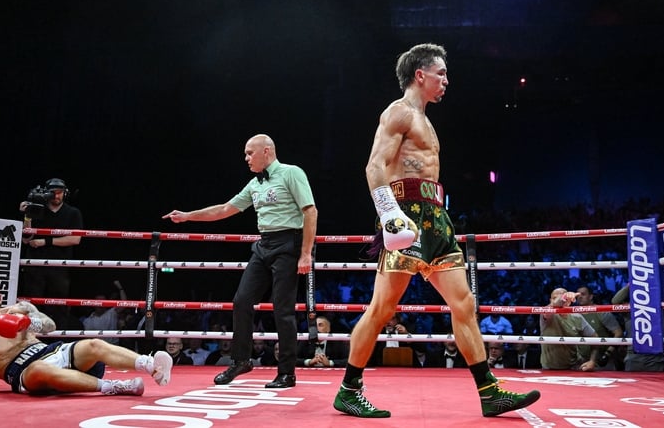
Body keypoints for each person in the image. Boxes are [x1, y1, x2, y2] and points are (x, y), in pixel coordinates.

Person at [332, 43, 540, 418]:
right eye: (441, 73)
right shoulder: (399, 113)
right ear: (420, 75)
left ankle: (489, 392)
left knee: (464, 303)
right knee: (382, 308)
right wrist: (389, 215)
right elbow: (374, 166)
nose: (446, 80)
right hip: (405, 214)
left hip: (435, 217)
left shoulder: (426, 120)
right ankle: (349, 389)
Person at [163, 133, 318, 389]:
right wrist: (188, 216)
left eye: (249, 153)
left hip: (289, 243)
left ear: (266, 151)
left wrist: (305, 253)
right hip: (264, 244)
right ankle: (241, 360)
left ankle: (287, 372)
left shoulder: (292, 173)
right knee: (241, 300)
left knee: (283, 309)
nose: (246, 158)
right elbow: (225, 209)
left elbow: (310, 210)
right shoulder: (254, 184)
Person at [0, 280, 172, 396]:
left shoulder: (18, 308)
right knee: (39, 368)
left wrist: (28, 321)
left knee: (93, 344)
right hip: (25, 373)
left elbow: (50, 325)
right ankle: (115, 388)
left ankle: (151, 365)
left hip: (53, 351)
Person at [19, 177, 83, 329]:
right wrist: (27, 215)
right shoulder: (37, 208)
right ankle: (31, 338)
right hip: (35, 264)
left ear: (65, 193)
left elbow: (75, 239)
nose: (56, 195)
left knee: (58, 304)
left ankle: (57, 340)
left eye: (59, 192)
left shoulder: (73, 213)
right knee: (32, 303)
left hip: (59, 265)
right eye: (53, 192)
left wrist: (45, 241)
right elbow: (26, 238)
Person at [540, 288, 599, 371]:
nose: (560, 300)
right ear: (550, 300)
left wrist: (592, 361)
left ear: (569, 301)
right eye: (554, 298)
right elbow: (555, 304)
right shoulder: (547, 314)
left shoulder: (577, 317)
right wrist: (563, 297)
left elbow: (595, 338)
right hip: (549, 368)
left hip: (574, 367)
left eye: (565, 299)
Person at [611, 284, 664, 371]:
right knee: (632, 384)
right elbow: (615, 301)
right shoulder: (631, 309)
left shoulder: (658, 306)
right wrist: (631, 283)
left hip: (655, 356)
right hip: (634, 355)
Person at [575, 285, 623, 370]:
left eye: (583, 294)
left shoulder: (601, 311)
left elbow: (618, 333)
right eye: (578, 295)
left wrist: (607, 354)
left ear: (590, 296)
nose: (580, 297)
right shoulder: (574, 314)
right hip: (582, 361)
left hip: (603, 362)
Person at [81, 280, 127, 345]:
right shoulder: (87, 321)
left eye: (103, 302)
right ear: (93, 304)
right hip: (97, 350)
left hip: (113, 348)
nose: (101, 304)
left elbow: (124, 303)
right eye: (98, 302)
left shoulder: (112, 313)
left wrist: (120, 288)